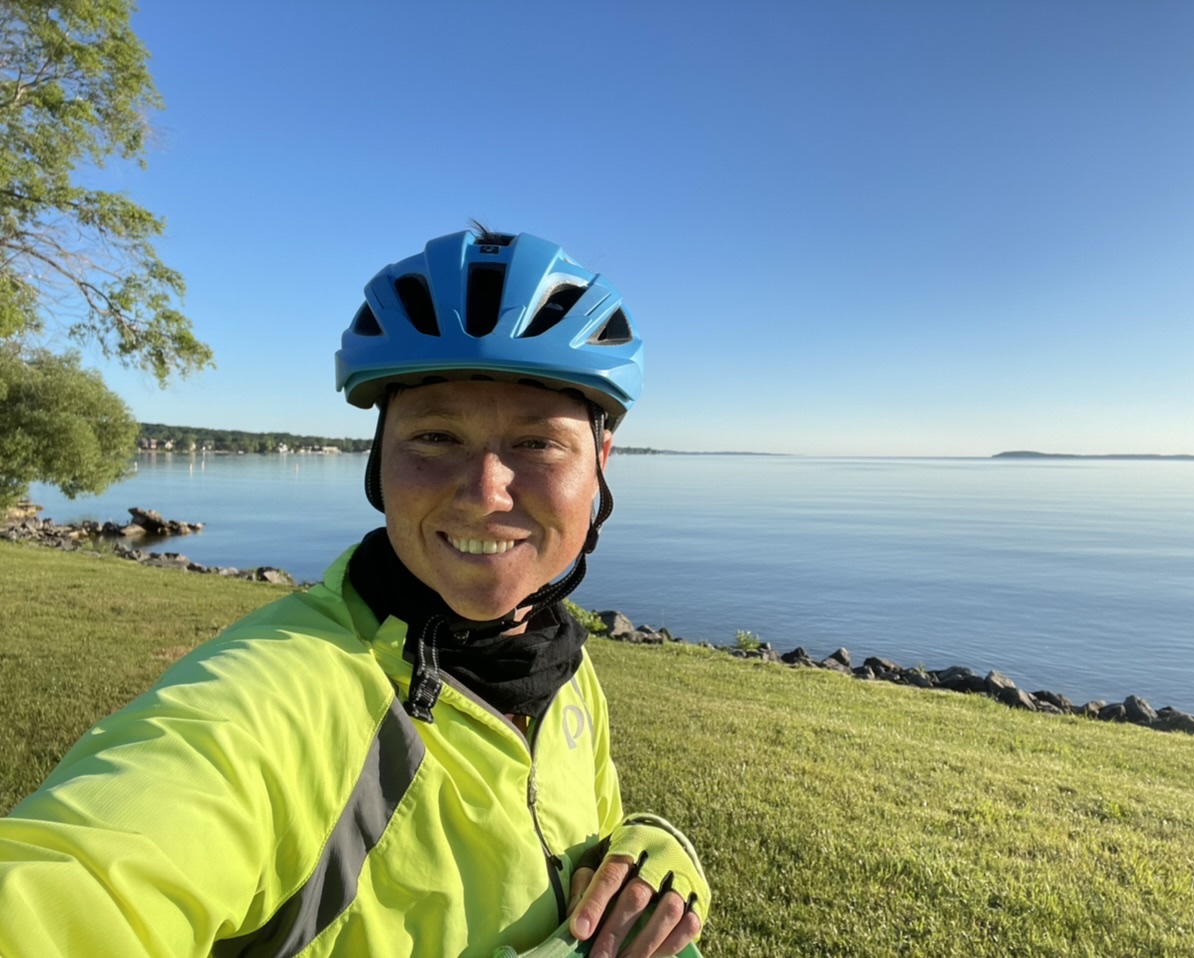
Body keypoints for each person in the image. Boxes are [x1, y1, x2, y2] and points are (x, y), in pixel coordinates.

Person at [0, 227, 710, 958]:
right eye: (435, 437)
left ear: (601, 462)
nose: (483, 492)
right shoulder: (276, 698)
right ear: (378, 460)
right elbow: (76, 884)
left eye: (536, 444)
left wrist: (642, 849)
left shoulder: (563, 667)